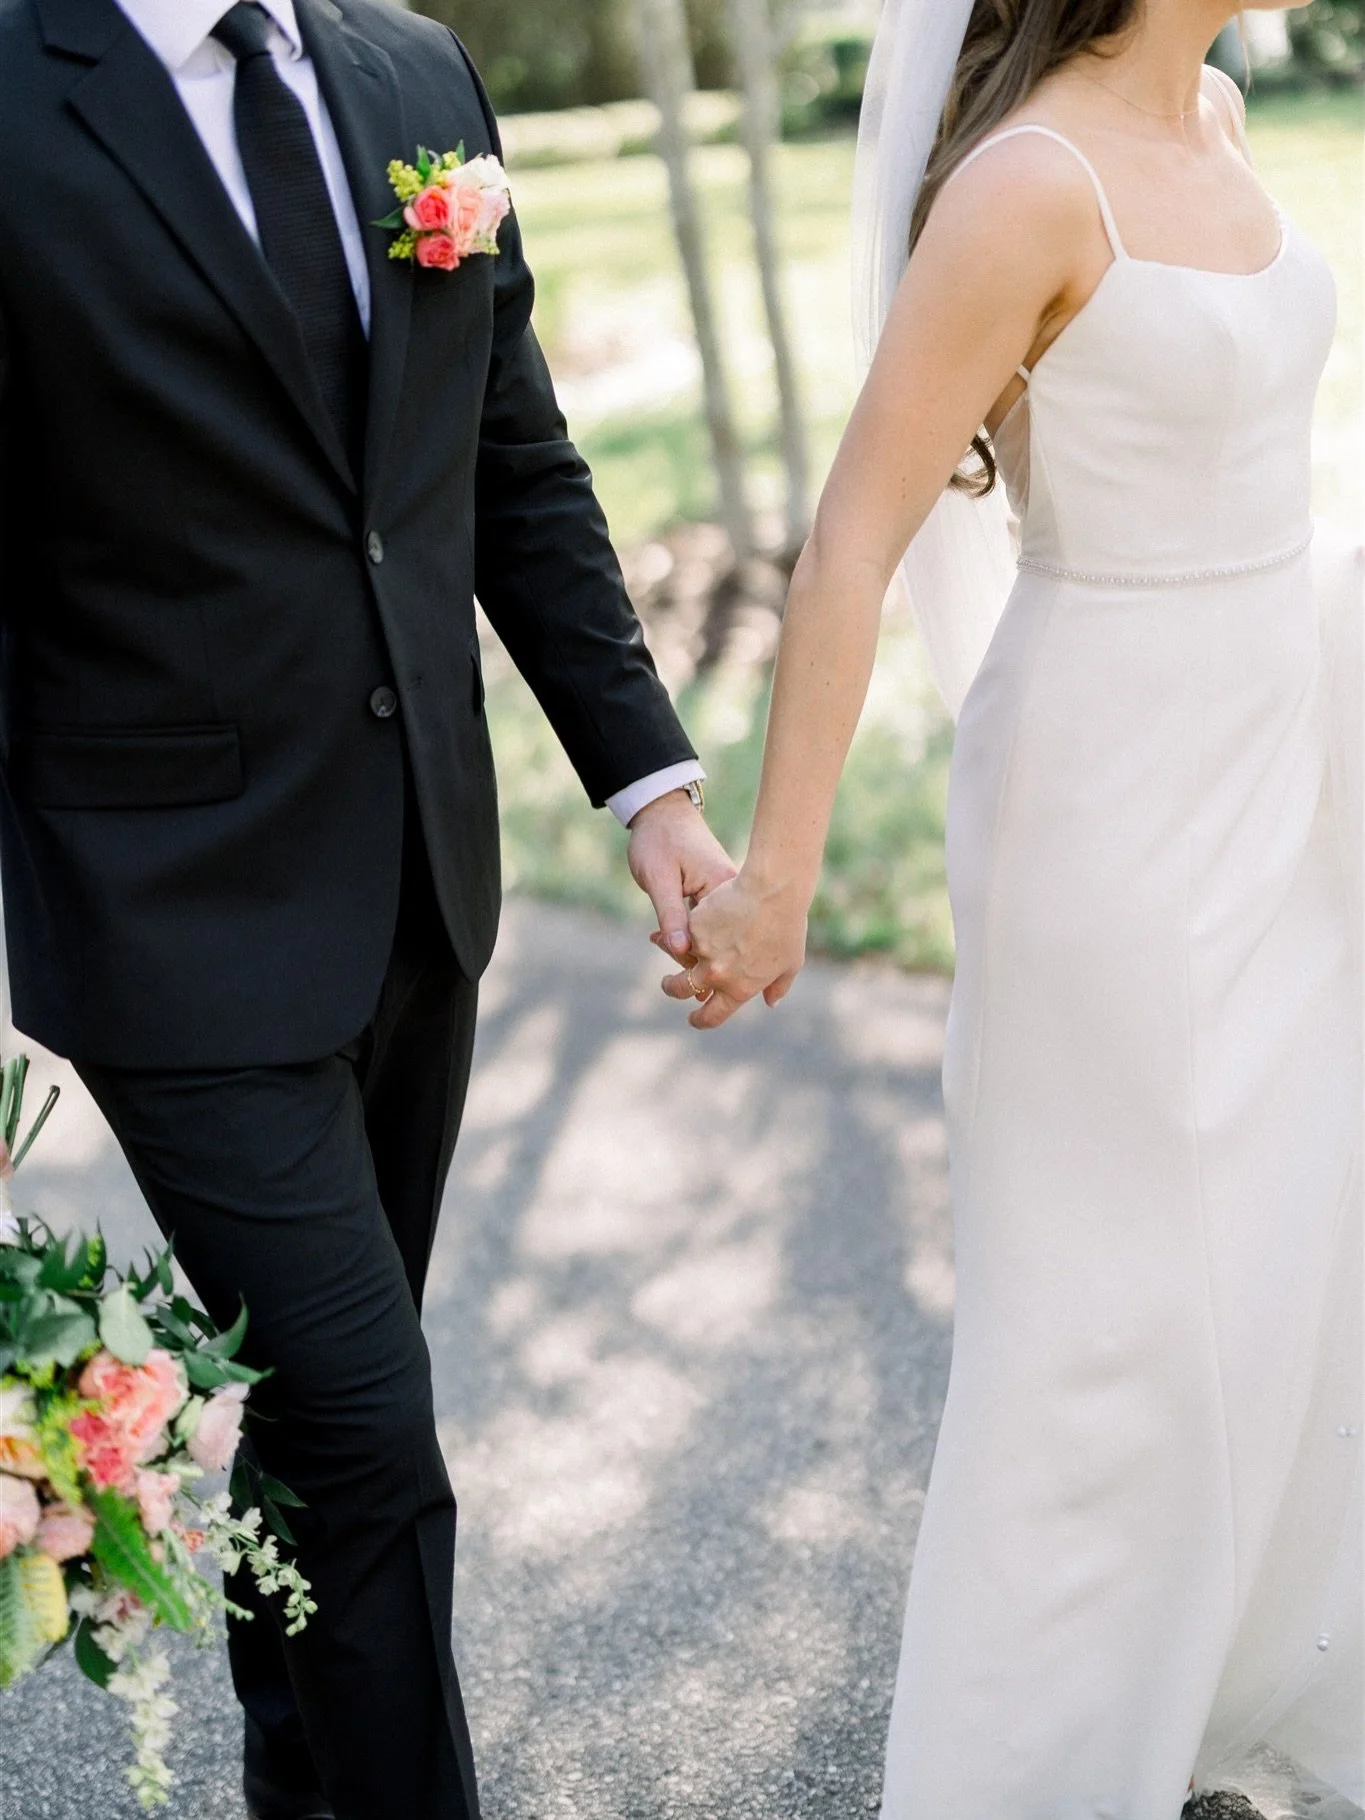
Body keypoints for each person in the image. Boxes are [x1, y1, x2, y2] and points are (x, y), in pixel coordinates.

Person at [0, 1, 736, 1816]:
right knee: (376, 1446)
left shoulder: (414, 74)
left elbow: (510, 458)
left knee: (312, 1449)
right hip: (163, 910)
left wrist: (648, 784)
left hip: (422, 881)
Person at [670, 1, 1363, 1814]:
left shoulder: (1211, 114)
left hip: (1279, 766)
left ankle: (1200, 1675)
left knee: (1287, 1240)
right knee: (1116, 1296)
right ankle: (1037, 1757)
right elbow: (850, 543)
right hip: (1110, 808)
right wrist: (779, 882)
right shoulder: (1025, 187)